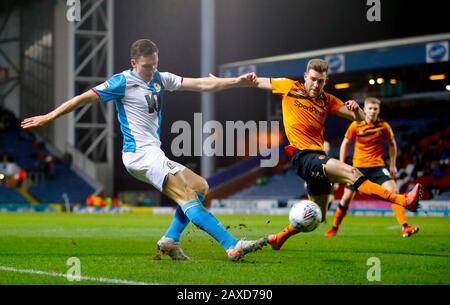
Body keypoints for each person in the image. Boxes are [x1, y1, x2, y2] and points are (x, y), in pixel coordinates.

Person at [21, 39, 267, 261]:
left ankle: (170, 240)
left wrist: (236, 81)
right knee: (186, 195)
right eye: (147, 66)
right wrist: (50, 116)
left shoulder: (160, 78)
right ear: (134, 63)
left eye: (155, 64)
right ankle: (232, 245)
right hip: (139, 155)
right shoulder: (122, 82)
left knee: (200, 186)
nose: (151, 71)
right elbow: (81, 99)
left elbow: (201, 84)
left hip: (154, 153)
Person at [251, 58, 422, 250]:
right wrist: (229, 81)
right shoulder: (291, 88)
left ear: (326, 81)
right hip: (304, 156)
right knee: (353, 173)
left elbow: (360, 119)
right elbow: (257, 81)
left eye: (321, 81)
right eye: (313, 79)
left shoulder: (328, 100)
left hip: (318, 158)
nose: (316, 84)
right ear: (306, 76)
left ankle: (279, 237)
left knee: (317, 216)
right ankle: (404, 200)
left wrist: (356, 109)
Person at [324, 97, 419, 238]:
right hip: (358, 168)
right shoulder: (356, 125)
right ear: (365, 109)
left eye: (375, 108)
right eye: (370, 108)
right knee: (345, 199)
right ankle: (334, 228)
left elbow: (392, 144)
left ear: (379, 110)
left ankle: (405, 227)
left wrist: (392, 164)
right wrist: (342, 164)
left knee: (393, 191)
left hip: (377, 166)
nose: (373, 111)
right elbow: (345, 143)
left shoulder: (384, 126)